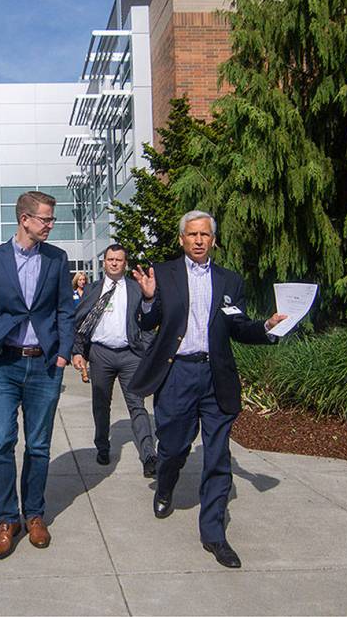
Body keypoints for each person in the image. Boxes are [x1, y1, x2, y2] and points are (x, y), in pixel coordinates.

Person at [130, 210, 286, 569]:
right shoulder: (164, 274)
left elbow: (239, 327)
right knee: (172, 446)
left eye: (205, 235)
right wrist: (150, 299)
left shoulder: (230, 280)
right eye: (192, 234)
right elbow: (147, 322)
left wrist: (267, 326)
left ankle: (214, 534)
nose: (199, 240)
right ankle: (165, 486)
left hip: (216, 376)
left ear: (214, 240)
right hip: (177, 376)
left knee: (217, 456)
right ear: (182, 239)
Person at [0, 190, 75, 560]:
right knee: (0, 441)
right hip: (3, 366)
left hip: (44, 365)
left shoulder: (57, 259)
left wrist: (63, 355)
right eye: (46, 219)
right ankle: (6, 519)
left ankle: (33, 515)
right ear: (25, 219)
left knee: (39, 445)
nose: (50, 225)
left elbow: (66, 310)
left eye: (51, 219)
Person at [71, 244, 157, 477]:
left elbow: (150, 320)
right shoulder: (92, 290)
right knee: (100, 404)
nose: (115, 263)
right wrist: (78, 351)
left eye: (119, 259)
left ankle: (149, 454)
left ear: (125, 263)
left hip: (130, 355)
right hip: (101, 354)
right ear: (104, 262)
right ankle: (103, 446)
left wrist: (146, 348)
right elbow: (79, 322)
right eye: (110, 259)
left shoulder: (135, 289)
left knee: (137, 404)